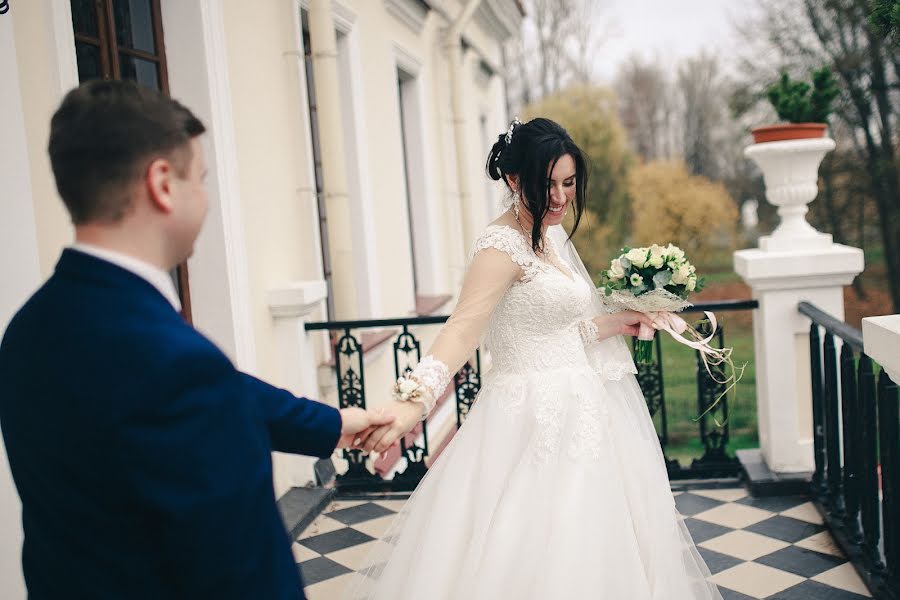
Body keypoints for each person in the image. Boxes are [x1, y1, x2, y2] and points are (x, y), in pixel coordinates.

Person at [0, 80, 391, 599]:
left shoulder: (29, 329)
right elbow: (247, 574)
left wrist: (333, 423)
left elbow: (213, 393)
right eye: (200, 179)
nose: (206, 200)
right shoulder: (176, 365)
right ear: (162, 184)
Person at [346, 118, 723, 599]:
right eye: (549, 185)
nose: (563, 198)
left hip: (584, 413)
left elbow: (554, 329)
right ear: (514, 180)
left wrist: (615, 322)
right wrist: (413, 401)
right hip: (528, 421)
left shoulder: (549, 237)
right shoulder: (499, 246)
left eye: (569, 183)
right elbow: (463, 328)